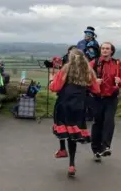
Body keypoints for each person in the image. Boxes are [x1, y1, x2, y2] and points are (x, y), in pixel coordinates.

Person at [50, 49, 100, 177]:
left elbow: (55, 87)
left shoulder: (66, 68)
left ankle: (62, 149)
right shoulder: (88, 71)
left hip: (64, 102)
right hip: (79, 105)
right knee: (73, 133)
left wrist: (52, 79)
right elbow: (96, 89)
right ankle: (72, 165)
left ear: (71, 58)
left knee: (61, 126)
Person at [89, 42, 121, 161]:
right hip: (97, 97)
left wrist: (120, 81)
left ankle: (105, 146)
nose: (104, 50)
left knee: (109, 121)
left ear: (111, 51)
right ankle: (96, 149)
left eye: (107, 49)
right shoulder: (94, 63)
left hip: (111, 97)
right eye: (103, 48)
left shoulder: (117, 64)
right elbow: (86, 78)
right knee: (98, 123)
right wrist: (94, 81)